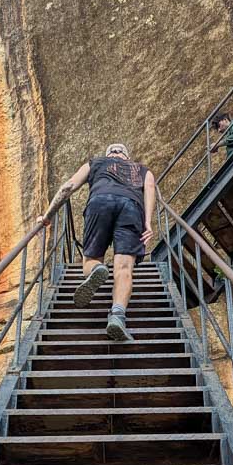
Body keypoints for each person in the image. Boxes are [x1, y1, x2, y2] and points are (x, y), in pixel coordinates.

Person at [38, 143, 156, 343]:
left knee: (90, 259)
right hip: (131, 207)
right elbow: (150, 188)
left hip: (100, 202)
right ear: (126, 157)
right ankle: (117, 316)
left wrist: (48, 215)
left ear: (109, 154)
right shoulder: (143, 170)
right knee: (125, 267)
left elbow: (68, 186)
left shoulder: (96, 162)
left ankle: (96, 270)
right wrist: (148, 222)